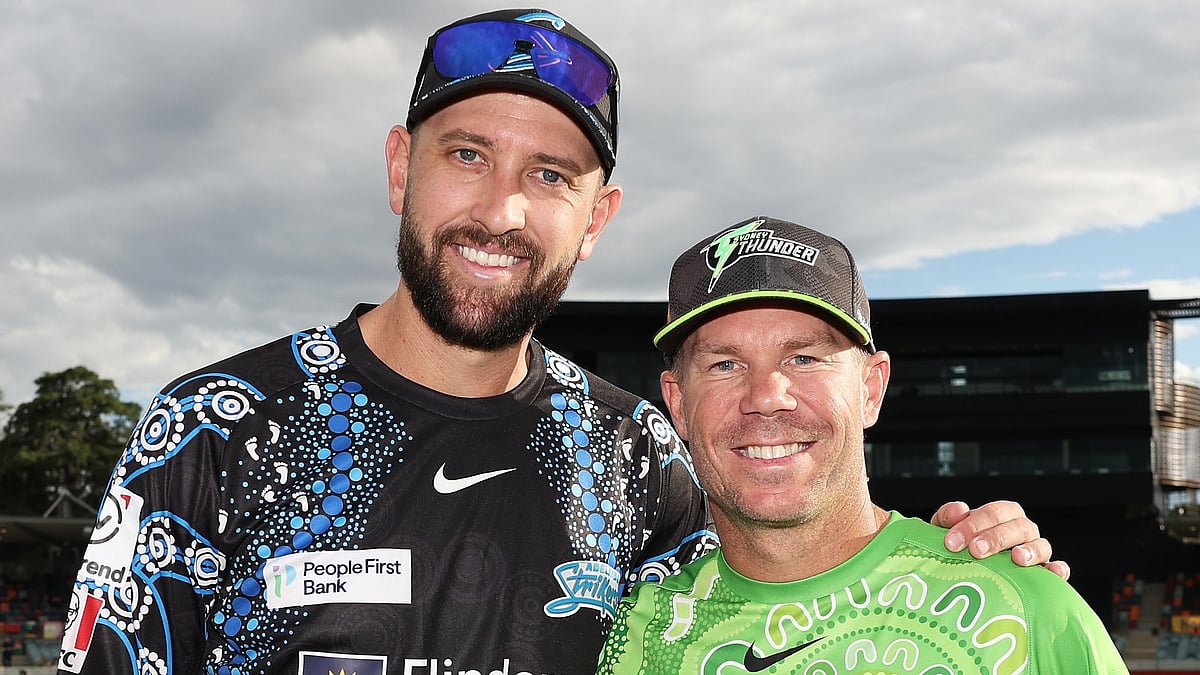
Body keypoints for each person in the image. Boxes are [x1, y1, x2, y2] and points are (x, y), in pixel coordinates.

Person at [58, 10, 1063, 675]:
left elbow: (787, 613)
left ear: (598, 217)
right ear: (401, 168)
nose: (501, 209)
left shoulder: (637, 457)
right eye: (467, 155)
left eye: (551, 175)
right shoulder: (215, 432)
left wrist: (962, 561)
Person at [598, 216, 1128, 673]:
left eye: (804, 358)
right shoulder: (640, 640)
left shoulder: (1022, 609)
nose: (766, 397)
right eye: (724, 364)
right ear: (679, 404)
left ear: (871, 388)